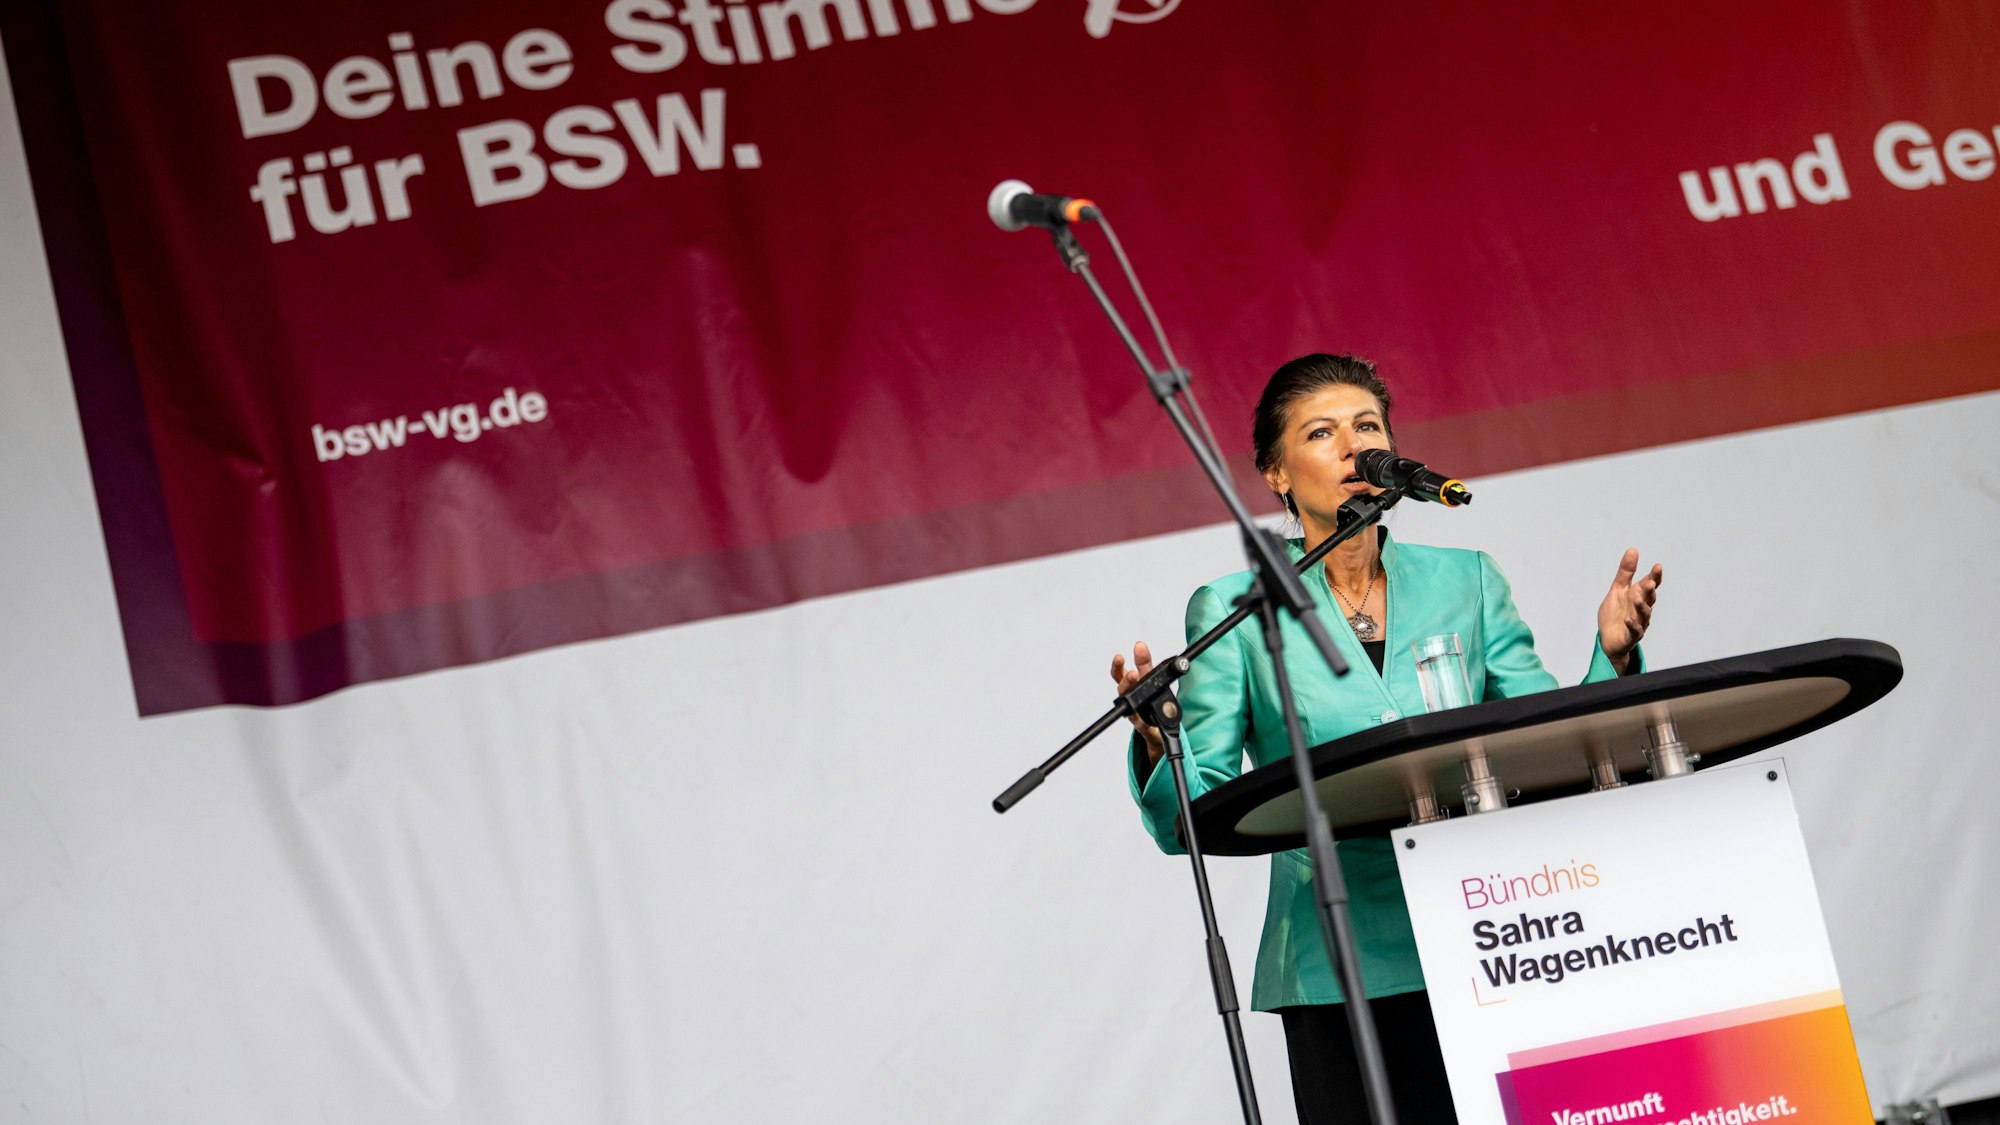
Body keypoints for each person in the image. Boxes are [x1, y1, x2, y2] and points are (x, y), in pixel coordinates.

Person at [1113, 353, 1662, 1124]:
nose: (1352, 446)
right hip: (1336, 963)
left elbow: (1548, 744)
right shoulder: (1234, 609)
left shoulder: (1466, 578)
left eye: (1367, 427)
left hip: (1494, 937)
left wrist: (1613, 655)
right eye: (1322, 432)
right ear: (1276, 472)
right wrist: (1156, 742)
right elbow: (1194, 815)